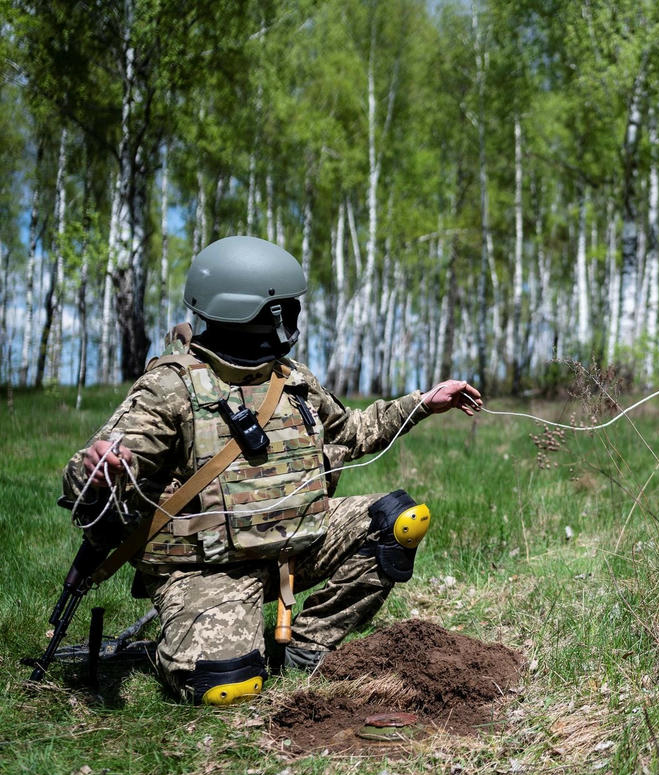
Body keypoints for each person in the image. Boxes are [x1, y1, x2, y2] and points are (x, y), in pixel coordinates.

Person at [60, 235, 482, 704]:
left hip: (293, 545)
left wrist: (423, 403)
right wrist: (96, 472)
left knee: (401, 521)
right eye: (287, 306)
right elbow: (94, 474)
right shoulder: (170, 387)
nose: (295, 315)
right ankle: (178, 641)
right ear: (265, 314)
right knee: (226, 688)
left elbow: (354, 432)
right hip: (207, 568)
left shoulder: (292, 378)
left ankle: (307, 647)